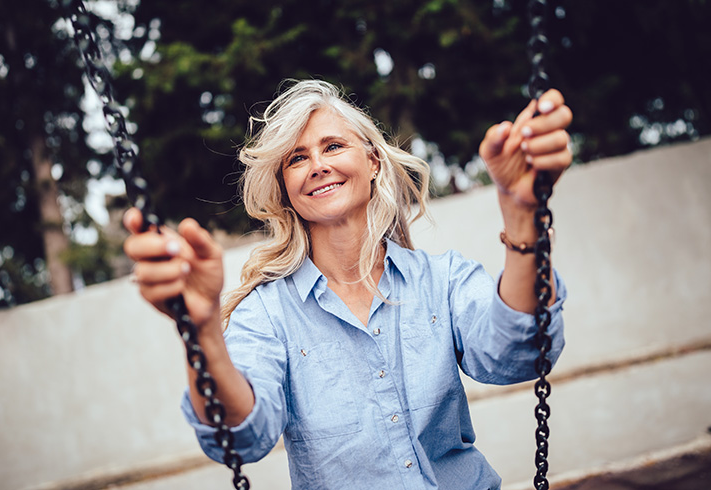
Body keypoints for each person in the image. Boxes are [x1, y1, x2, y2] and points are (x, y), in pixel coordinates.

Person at [123, 80, 572, 489]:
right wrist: (200, 332)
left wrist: (521, 216)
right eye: (297, 158)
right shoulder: (267, 314)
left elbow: (520, 353)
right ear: (285, 188)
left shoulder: (443, 281)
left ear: (373, 161)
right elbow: (241, 438)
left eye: (332, 146)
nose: (317, 166)